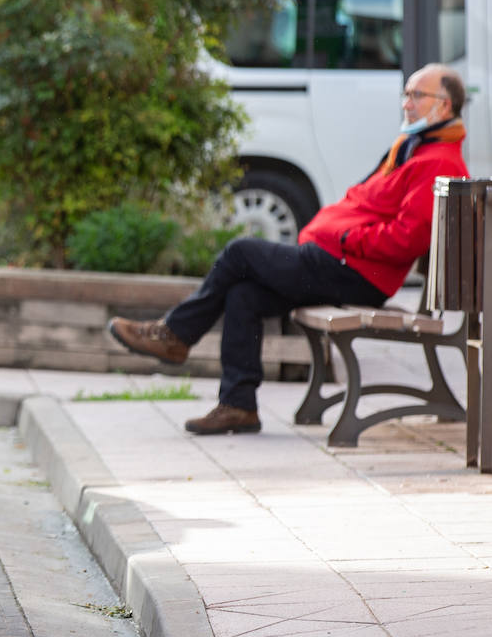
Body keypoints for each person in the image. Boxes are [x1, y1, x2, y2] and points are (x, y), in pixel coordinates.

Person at [108, 64, 471, 436]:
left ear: (444, 106)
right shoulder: (413, 149)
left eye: (416, 95)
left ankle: (175, 334)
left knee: (240, 252)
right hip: (340, 263)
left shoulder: (438, 161)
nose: (406, 104)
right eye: (406, 94)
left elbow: (405, 239)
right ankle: (238, 406)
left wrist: (345, 239)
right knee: (243, 294)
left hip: (354, 272)